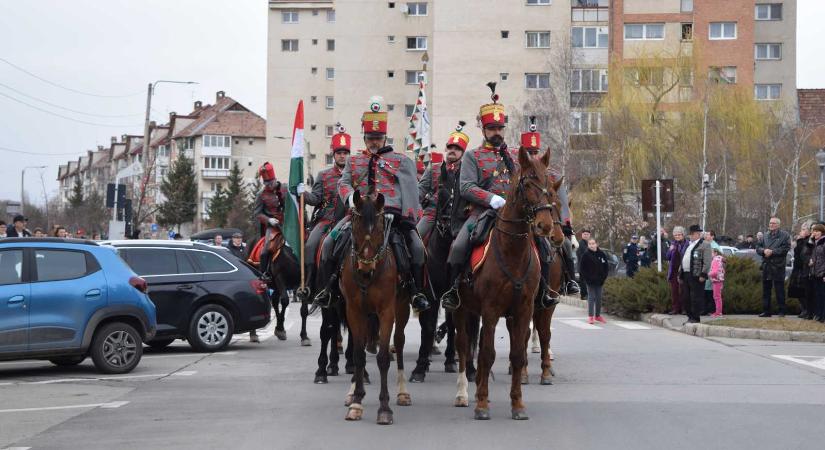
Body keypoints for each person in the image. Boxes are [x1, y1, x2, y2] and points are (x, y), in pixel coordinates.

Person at [313, 95, 429, 313]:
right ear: (364, 137)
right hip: (358, 216)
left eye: (377, 137)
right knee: (329, 243)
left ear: (385, 137)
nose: (373, 141)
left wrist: (405, 215)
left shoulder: (401, 160)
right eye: (370, 137)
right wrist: (350, 198)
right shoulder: (353, 161)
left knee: (417, 248)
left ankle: (416, 292)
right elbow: (344, 182)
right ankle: (328, 289)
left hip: (392, 217)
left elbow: (411, 190)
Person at [440, 82, 523, 311]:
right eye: (492, 128)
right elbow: (466, 187)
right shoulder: (473, 156)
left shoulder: (515, 156)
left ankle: (546, 289)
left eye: (500, 128)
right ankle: (454, 290)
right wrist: (492, 199)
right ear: (484, 130)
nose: (497, 132)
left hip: (515, 214)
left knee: (544, 244)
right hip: (482, 213)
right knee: (458, 247)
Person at [520, 117, 577, 306]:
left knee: (565, 246)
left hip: (548, 222)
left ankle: (569, 282)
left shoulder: (552, 175)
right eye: (529, 152)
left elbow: (563, 204)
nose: (533, 156)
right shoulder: (519, 173)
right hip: (524, 220)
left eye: (535, 152)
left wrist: (567, 227)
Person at [296, 123, 350, 295]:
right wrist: (303, 192)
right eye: (339, 153)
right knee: (311, 245)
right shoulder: (324, 175)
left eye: (345, 153)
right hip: (326, 220)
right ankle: (310, 285)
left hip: (348, 220)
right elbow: (315, 199)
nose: (342, 156)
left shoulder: (356, 175)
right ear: (333, 155)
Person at [253, 161, 288, 277]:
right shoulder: (260, 194)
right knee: (266, 249)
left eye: (270, 182)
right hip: (273, 227)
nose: (268, 185)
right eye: (266, 183)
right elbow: (257, 213)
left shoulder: (285, 189)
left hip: (288, 224)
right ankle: (264, 274)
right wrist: (269, 220)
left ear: (275, 179)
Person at [756, 217, 790, 317]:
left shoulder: (785, 235)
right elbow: (758, 247)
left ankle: (782, 311)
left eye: (774, 223)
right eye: (770, 223)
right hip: (766, 266)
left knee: (779, 290)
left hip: (778, 266)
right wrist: (763, 251)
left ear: (778, 225)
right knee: (766, 290)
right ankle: (766, 311)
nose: (771, 225)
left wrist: (772, 252)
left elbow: (786, 248)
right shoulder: (765, 236)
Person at [680, 224, 712, 323]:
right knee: (686, 297)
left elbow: (707, 261)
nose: (690, 236)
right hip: (686, 274)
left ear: (697, 234)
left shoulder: (705, 244)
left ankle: (695, 317)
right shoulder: (689, 245)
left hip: (696, 275)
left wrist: (703, 274)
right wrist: (680, 273)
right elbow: (684, 259)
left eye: (692, 234)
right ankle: (690, 316)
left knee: (695, 297)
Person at [579, 238, 609, 325]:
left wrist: (603, 278)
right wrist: (587, 279)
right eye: (590, 244)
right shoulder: (586, 255)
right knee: (591, 298)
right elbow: (582, 269)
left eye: (593, 243)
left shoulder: (602, 254)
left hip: (600, 281)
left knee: (599, 298)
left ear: (596, 244)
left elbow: (606, 267)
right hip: (590, 281)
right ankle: (591, 316)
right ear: (588, 245)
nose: (592, 245)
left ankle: (598, 315)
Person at [789, 222, 814, 319]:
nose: (801, 231)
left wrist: (800, 241)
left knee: (804, 292)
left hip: (804, 268)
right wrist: (799, 240)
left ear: (808, 231)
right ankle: (804, 309)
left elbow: (804, 253)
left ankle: (807, 310)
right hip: (797, 268)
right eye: (801, 229)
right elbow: (797, 252)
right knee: (797, 291)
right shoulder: (801, 240)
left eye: (803, 229)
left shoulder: (809, 241)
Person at [667, 226, 689, 315]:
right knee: (674, 291)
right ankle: (675, 308)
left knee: (684, 290)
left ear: (683, 235)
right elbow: (667, 256)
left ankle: (684, 309)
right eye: (675, 235)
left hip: (683, 270)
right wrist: (670, 250)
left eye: (679, 234)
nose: (677, 236)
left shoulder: (688, 244)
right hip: (674, 270)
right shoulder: (673, 244)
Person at [809, 224, 825, 323]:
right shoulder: (816, 242)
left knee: (823, 296)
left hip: (822, 273)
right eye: (814, 231)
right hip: (816, 273)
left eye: (817, 231)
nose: (815, 233)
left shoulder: (823, 243)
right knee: (818, 295)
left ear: (822, 232)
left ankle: (823, 315)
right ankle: (819, 314)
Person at [703, 231, 721, 315]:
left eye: (708, 234)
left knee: (711, 292)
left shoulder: (715, 246)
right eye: (705, 234)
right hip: (707, 270)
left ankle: (712, 310)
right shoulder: (706, 244)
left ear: (712, 236)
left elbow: (719, 257)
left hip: (712, 272)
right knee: (706, 291)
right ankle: (706, 309)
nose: (706, 236)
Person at [708, 247, 725, 317]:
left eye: (711, 253)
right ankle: (718, 312)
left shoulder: (715, 260)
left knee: (716, 297)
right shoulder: (720, 259)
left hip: (716, 280)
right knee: (718, 296)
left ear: (715, 253)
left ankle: (718, 312)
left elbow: (714, 272)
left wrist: (708, 274)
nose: (710, 254)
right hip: (719, 280)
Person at [577, 229, 592, 300]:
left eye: (587, 234)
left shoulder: (588, 243)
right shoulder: (581, 243)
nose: (586, 235)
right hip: (583, 266)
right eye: (584, 234)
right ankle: (584, 295)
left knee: (587, 280)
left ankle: (586, 294)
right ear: (582, 235)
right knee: (583, 281)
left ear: (589, 235)